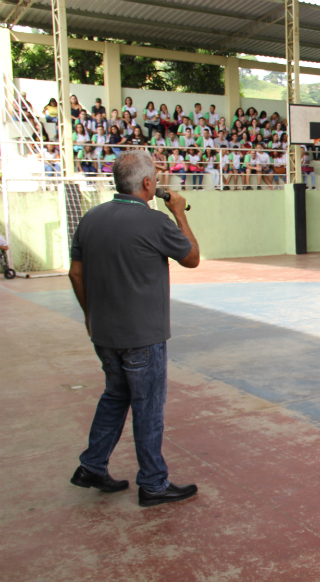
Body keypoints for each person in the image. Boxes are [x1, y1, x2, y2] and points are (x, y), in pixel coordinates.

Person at [68, 150, 200, 508]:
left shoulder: (90, 219)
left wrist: (89, 314)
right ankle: (154, 484)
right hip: (143, 336)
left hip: (104, 333)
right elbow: (191, 257)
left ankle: (92, 465)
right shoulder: (154, 222)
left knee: (115, 395)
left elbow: (75, 274)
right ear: (146, 184)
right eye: (155, 178)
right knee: (148, 406)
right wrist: (177, 214)